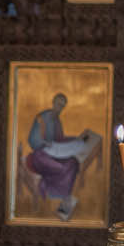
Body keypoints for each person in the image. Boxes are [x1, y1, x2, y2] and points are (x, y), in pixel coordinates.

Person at [24, 93, 101, 222]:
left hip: (55, 153)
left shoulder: (57, 120)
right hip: (39, 156)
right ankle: (46, 187)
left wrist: (75, 140)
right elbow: (32, 140)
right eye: (58, 104)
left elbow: (59, 139)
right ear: (53, 102)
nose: (60, 108)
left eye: (62, 106)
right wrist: (44, 143)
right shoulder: (42, 118)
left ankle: (65, 201)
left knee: (73, 163)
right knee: (60, 168)